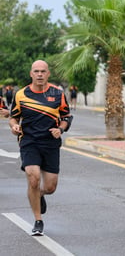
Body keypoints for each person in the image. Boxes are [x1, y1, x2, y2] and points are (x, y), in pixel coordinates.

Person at [9, 60, 72, 236]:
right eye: (36, 71)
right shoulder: (21, 95)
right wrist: (14, 127)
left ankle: (39, 195)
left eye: (43, 71)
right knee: (33, 178)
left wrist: (60, 129)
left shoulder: (58, 94)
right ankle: (38, 220)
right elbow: (14, 117)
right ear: (31, 74)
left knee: (50, 187)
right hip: (29, 141)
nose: (39, 74)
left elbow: (66, 117)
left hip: (50, 143)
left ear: (48, 74)